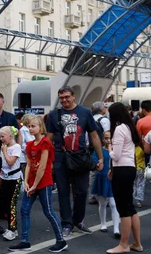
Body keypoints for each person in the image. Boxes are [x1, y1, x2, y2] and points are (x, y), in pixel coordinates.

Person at [46, 86, 103, 237]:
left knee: (82, 191)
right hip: (60, 157)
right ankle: (67, 224)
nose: (64, 100)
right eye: (61, 98)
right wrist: (47, 161)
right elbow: (48, 140)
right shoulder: (54, 115)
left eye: (67, 97)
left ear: (73, 97)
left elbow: (94, 135)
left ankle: (78, 221)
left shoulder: (85, 112)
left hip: (80, 157)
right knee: (63, 192)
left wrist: (101, 157)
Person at [8, 115, 68, 253]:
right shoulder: (30, 144)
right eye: (29, 126)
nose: (30, 128)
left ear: (41, 127)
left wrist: (34, 185)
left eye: (33, 126)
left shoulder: (45, 143)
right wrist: (27, 182)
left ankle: (61, 240)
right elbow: (28, 165)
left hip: (44, 182)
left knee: (48, 211)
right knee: (24, 210)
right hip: (33, 182)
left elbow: (43, 166)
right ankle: (25, 240)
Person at [106, 102, 143, 254]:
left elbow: (116, 155)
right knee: (129, 206)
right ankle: (136, 243)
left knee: (123, 208)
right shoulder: (129, 127)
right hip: (130, 167)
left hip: (122, 169)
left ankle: (123, 244)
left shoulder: (120, 129)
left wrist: (109, 148)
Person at [91, 131, 120, 237]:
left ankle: (116, 228)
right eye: (106, 138)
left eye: (110, 138)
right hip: (102, 178)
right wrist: (98, 164)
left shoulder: (116, 150)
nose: (108, 140)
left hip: (113, 179)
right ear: (102, 139)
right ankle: (103, 224)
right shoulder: (99, 151)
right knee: (102, 203)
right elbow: (95, 161)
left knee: (113, 204)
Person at [0, 126, 23, 241]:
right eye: (0, 136)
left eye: (3, 136)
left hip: (15, 179)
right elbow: (3, 165)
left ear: (10, 136)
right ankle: (10, 227)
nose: (1, 139)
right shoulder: (4, 147)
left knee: (12, 205)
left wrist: (4, 151)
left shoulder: (16, 147)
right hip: (5, 178)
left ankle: (13, 229)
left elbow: (10, 162)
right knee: (5, 204)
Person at [136, 100, 151, 211]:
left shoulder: (141, 121)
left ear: (144, 110)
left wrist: (145, 148)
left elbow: (138, 138)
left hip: (149, 152)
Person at [89, 102, 110, 205]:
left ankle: (93, 194)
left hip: (91, 148)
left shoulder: (90, 118)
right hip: (103, 148)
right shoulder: (104, 120)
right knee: (105, 169)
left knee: (93, 171)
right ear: (102, 109)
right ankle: (104, 193)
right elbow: (107, 134)